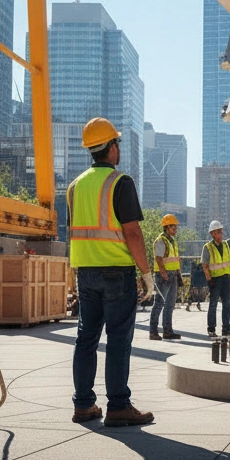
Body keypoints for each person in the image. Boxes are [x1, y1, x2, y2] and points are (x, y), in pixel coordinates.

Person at [68, 117, 154, 427]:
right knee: (118, 339)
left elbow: (73, 232)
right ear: (112, 148)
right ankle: (118, 406)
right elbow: (132, 233)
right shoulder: (120, 182)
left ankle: (83, 405)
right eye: (117, 142)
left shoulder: (75, 187)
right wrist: (146, 274)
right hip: (116, 271)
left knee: (86, 339)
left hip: (86, 272)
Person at [202, 218, 230, 337]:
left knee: (226, 304)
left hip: (225, 279)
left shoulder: (226, 244)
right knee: (213, 304)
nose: (220, 233)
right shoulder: (207, 247)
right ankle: (211, 329)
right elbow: (204, 265)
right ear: (212, 234)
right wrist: (209, 280)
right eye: (218, 231)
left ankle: (226, 328)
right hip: (215, 280)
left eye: (221, 231)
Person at [149, 214, 182, 341]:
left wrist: (177, 274)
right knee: (159, 303)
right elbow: (159, 259)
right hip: (164, 276)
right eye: (174, 227)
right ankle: (153, 331)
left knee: (170, 304)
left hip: (172, 275)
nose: (176, 230)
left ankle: (167, 331)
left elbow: (174, 259)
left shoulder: (172, 241)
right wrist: (163, 274)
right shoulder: (160, 240)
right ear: (167, 227)